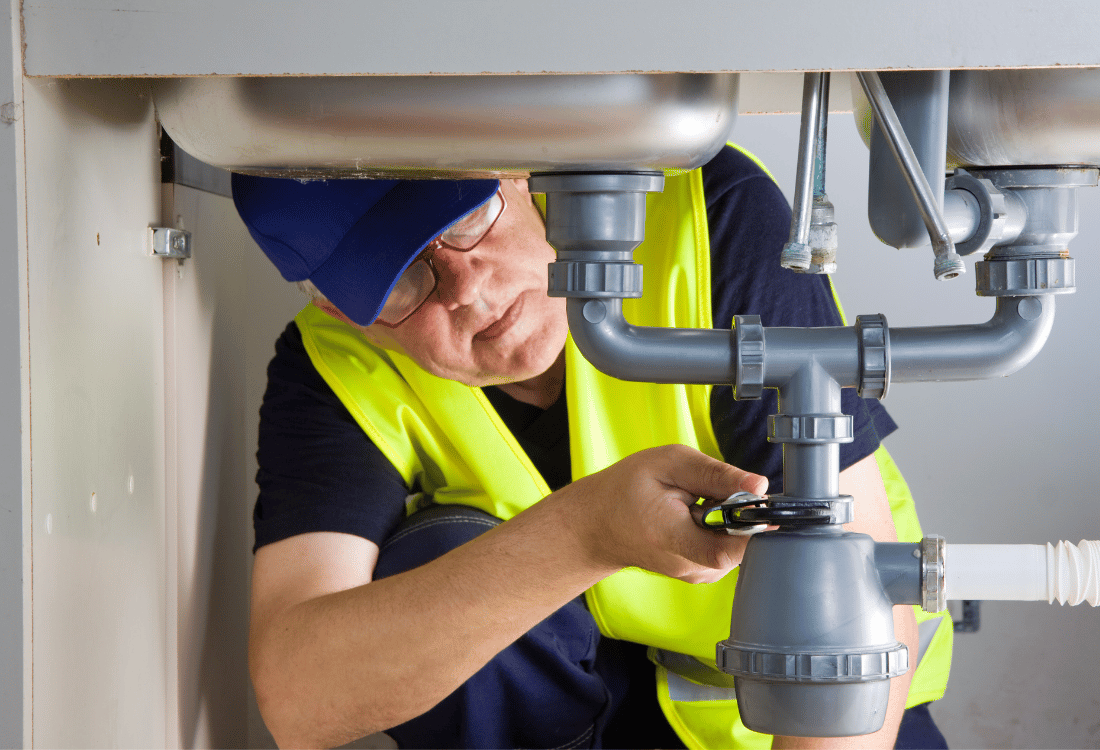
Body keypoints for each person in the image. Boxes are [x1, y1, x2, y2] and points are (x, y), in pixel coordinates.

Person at [233, 145, 953, 750]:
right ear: (339, 307)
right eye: (401, 281)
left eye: (466, 221)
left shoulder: (703, 213)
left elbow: (850, 562)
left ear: (516, 171)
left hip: (842, 714)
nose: (468, 291)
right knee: (433, 562)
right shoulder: (332, 369)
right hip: (592, 726)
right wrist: (583, 533)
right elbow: (300, 694)